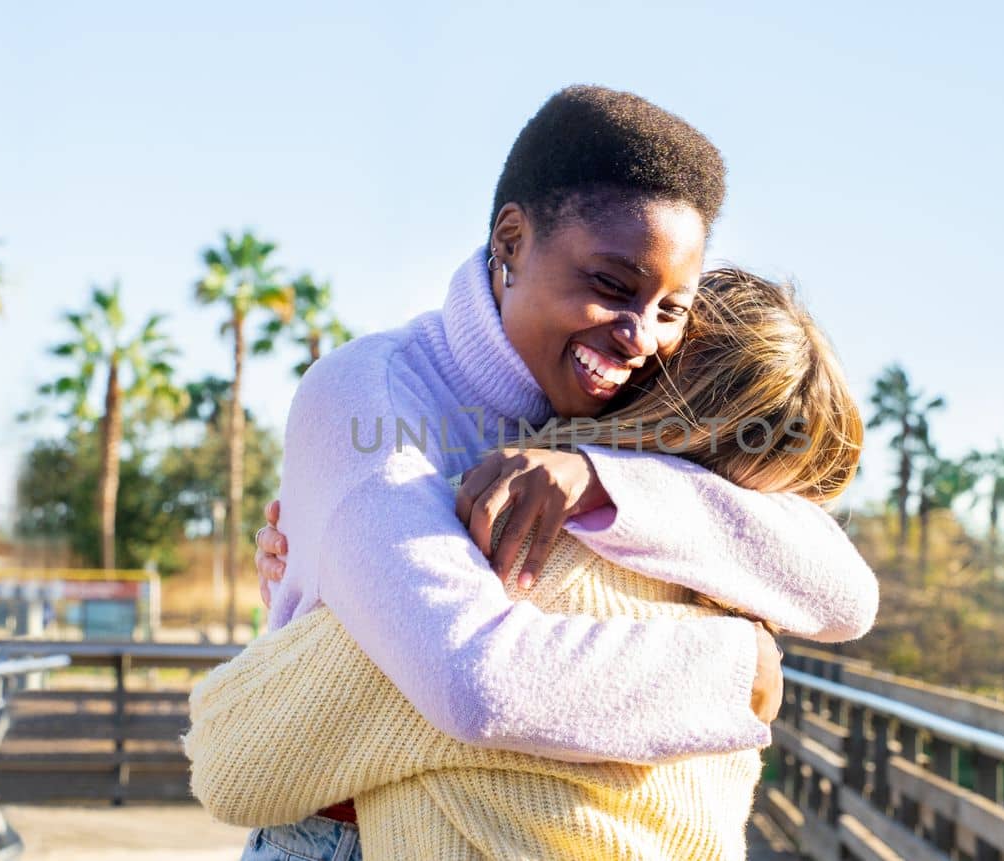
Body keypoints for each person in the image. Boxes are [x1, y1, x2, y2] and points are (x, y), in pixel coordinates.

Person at [209, 85, 877, 859]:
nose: (639, 337)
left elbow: (843, 592)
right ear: (513, 240)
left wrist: (598, 483)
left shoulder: (617, 411)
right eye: (611, 287)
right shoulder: (371, 395)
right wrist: (736, 672)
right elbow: (476, 678)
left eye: (671, 307)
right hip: (353, 834)